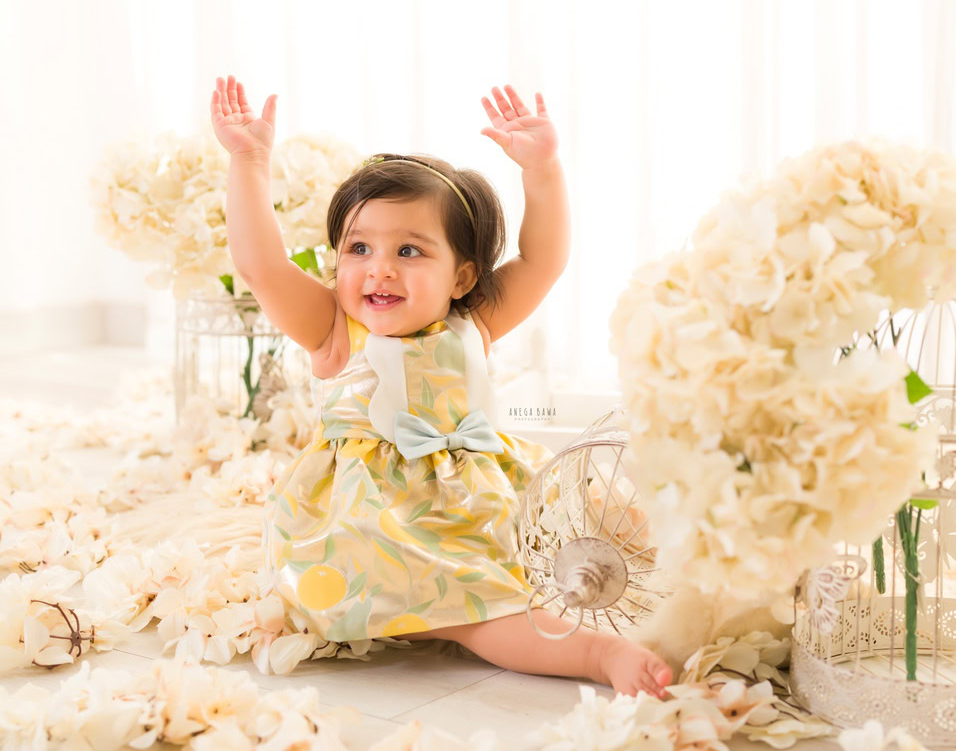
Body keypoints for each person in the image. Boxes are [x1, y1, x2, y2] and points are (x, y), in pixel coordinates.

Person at [209, 75, 672, 699]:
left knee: (571, 558)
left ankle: (561, 617)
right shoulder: (336, 330)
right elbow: (260, 264)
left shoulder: (474, 321)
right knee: (471, 603)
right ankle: (591, 654)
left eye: (409, 250)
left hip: (479, 497)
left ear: (462, 275)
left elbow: (544, 260)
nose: (379, 268)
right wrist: (247, 162)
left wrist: (543, 171)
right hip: (377, 514)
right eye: (359, 247)